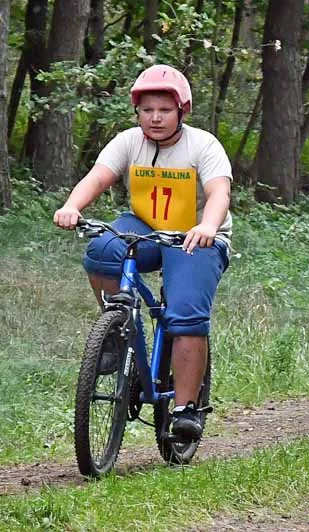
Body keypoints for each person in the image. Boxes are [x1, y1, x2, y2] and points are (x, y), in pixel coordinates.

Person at [53, 64, 232, 442]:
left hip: (195, 237)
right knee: (102, 249)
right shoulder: (129, 141)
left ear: (182, 110)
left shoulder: (203, 145)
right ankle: (117, 333)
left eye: (164, 110)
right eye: (147, 110)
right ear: (137, 113)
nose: (155, 118)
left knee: (184, 316)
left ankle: (185, 410)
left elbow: (219, 193)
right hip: (146, 227)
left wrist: (207, 226)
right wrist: (73, 206)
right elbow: (99, 176)